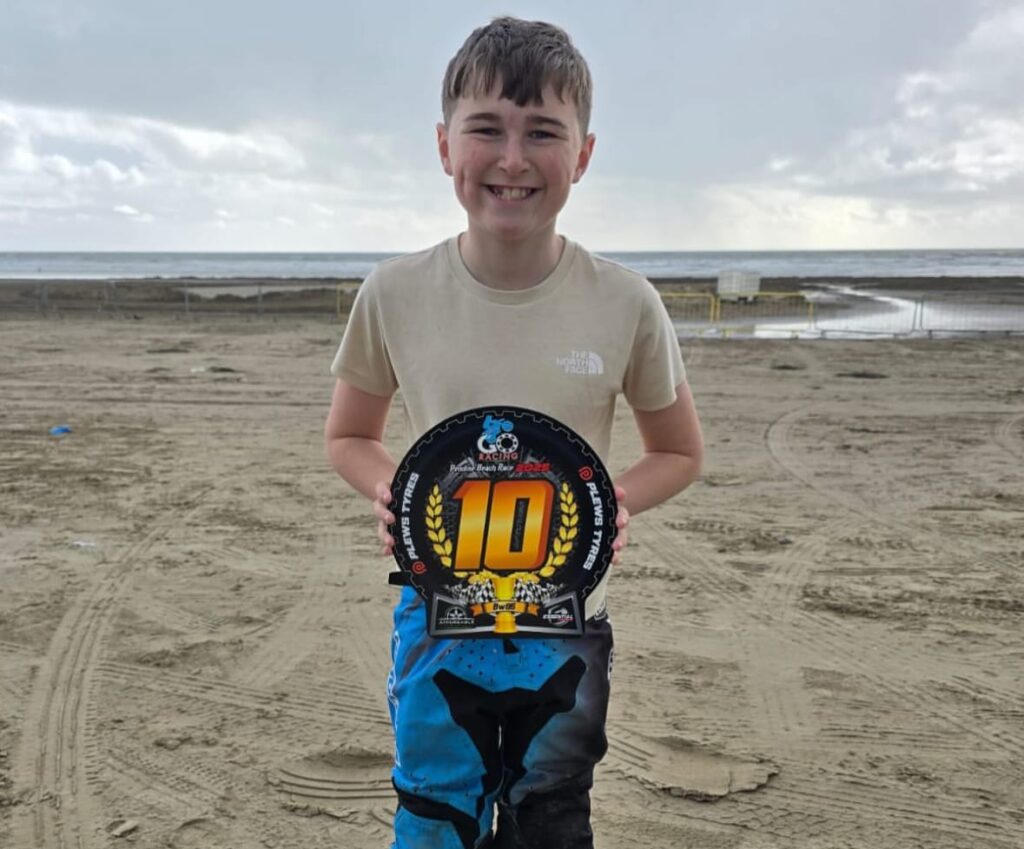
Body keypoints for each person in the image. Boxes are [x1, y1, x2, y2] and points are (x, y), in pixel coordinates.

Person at [324, 16, 703, 849]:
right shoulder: (393, 292)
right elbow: (350, 434)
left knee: (550, 813)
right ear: (443, 144)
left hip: (565, 616)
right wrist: (390, 487)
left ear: (585, 154)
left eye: (543, 133)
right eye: (486, 129)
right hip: (437, 610)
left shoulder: (626, 302)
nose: (512, 158)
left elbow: (679, 452)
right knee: (436, 808)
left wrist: (614, 502)